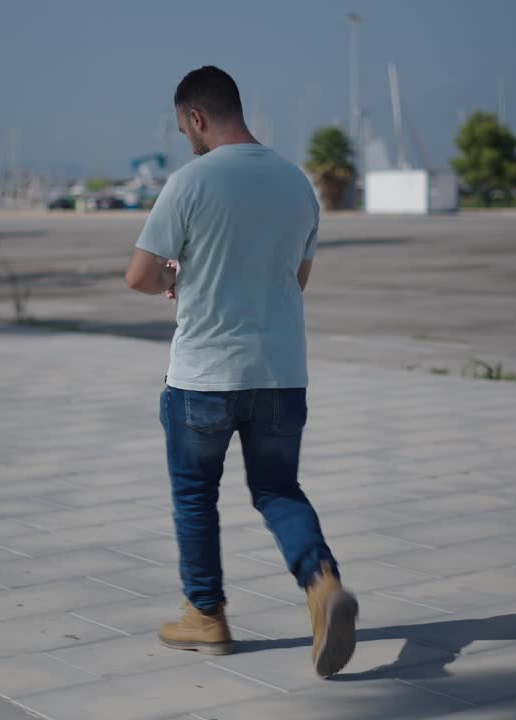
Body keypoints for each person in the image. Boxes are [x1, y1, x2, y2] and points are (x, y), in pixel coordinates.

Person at [124, 65, 357, 678]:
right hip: (281, 372)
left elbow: (140, 276)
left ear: (197, 118)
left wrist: (178, 278)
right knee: (279, 490)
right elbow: (296, 281)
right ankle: (322, 585)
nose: (188, 141)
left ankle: (206, 615)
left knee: (196, 495)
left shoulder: (191, 181)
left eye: (185, 129)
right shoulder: (296, 182)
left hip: (203, 373)